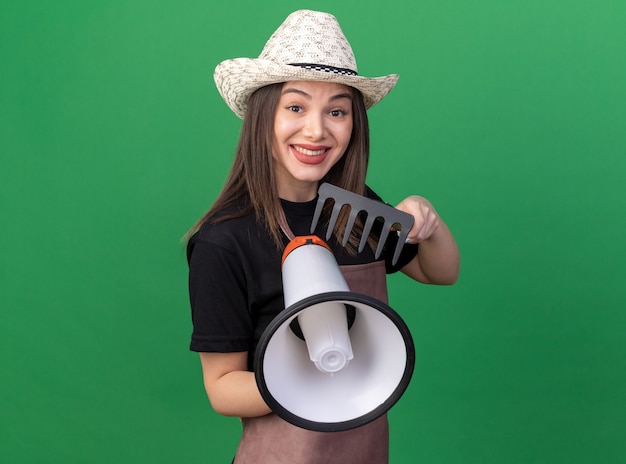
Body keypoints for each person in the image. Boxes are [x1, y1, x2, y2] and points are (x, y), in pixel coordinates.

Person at [186, 9, 460, 464]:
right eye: (295, 107)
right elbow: (221, 388)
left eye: (337, 111)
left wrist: (428, 223)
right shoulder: (225, 239)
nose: (316, 130)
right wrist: (317, 383)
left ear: (354, 125)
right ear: (262, 117)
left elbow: (440, 273)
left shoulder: (355, 209)